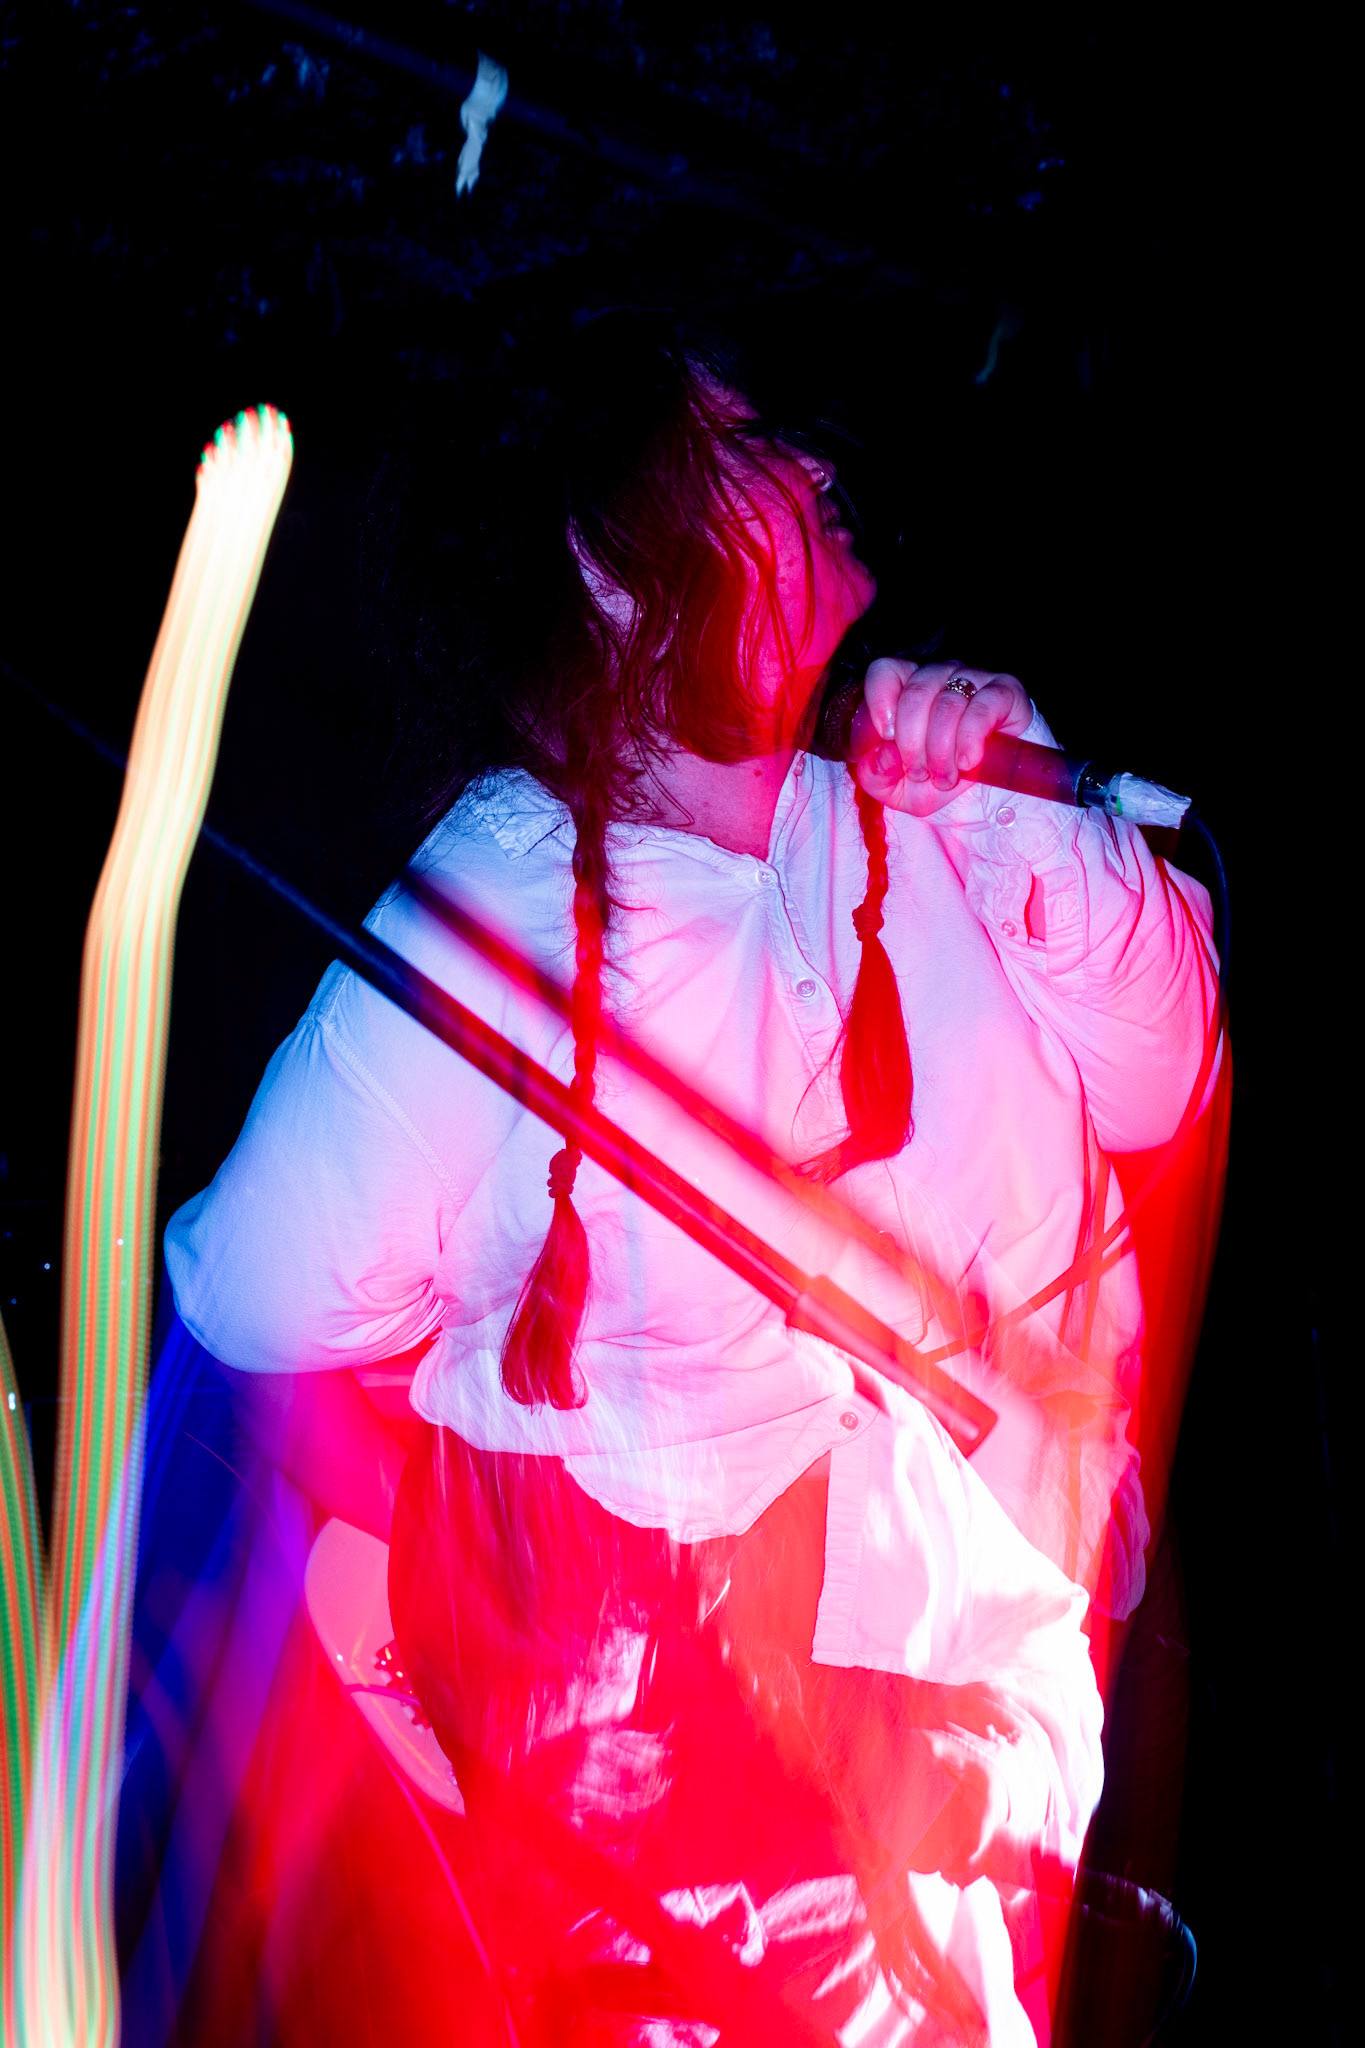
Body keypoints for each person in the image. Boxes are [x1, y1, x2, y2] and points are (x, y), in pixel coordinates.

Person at [163, 317, 1221, 2043]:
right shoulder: (501, 912)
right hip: (761, 1823)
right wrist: (430, 1562)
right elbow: (252, 1298)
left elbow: (1167, 1069)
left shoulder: (927, 797)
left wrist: (1027, 795)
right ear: (604, 570)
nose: (813, 467)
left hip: (1057, 1667)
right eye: (741, 450)